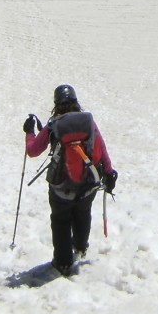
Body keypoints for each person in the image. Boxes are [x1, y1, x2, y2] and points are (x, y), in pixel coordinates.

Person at [23, 84, 117, 275]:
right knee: (83, 214)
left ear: (56, 104)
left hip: (61, 187)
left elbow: (33, 151)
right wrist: (108, 172)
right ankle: (80, 247)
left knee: (60, 220)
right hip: (88, 184)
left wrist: (29, 133)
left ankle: (62, 261)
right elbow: (102, 148)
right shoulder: (88, 122)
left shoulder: (53, 125)